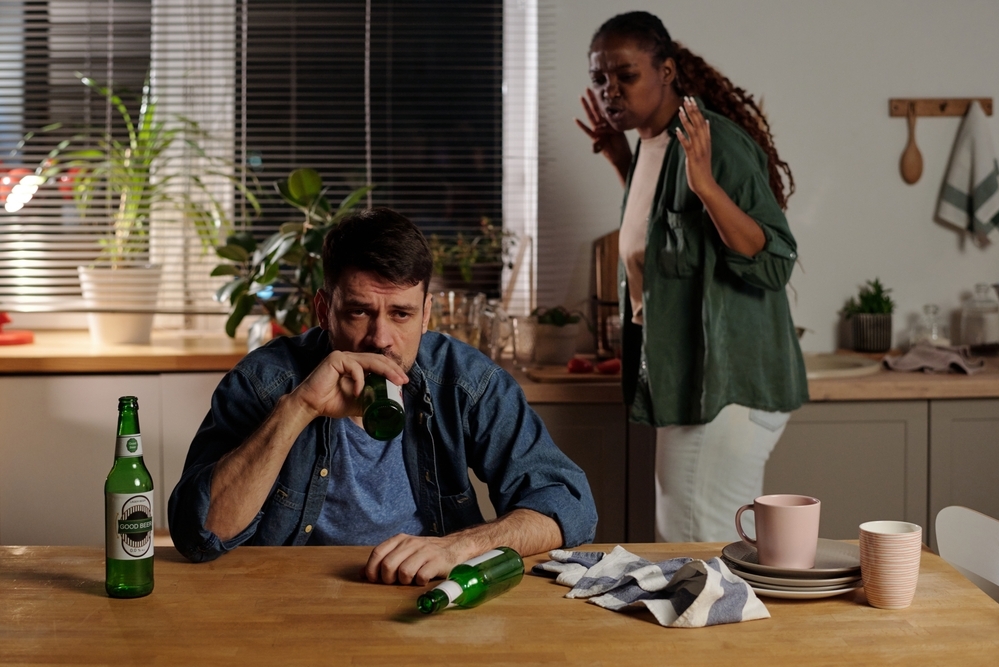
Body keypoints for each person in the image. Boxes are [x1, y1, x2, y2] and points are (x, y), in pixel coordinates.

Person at [168, 208, 597, 584]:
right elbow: (201, 536)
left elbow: (568, 506)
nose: (381, 338)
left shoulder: (465, 382)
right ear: (323, 310)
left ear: (426, 313)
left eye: (402, 314)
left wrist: (458, 548)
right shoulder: (263, 382)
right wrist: (299, 409)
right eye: (359, 311)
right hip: (286, 600)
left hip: (426, 597)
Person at [576, 11, 808, 542]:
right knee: (697, 546)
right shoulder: (649, 145)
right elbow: (664, 241)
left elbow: (774, 260)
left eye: (625, 75)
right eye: (599, 79)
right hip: (694, 384)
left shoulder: (712, 144)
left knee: (695, 549)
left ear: (667, 70)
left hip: (726, 388)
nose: (610, 91)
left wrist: (706, 185)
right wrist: (620, 161)